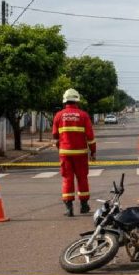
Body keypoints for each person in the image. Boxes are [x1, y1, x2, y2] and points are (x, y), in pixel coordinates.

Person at [52, 88, 96, 217]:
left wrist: (60, 147)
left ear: (65, 101)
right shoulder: (83, 115)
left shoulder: (59, 115)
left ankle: (69, 208)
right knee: (82, 178)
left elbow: (55, 135)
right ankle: (84, 206)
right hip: (81, 153)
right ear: (77, 100)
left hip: (65, 153)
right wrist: (93, 152)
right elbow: (90, 136)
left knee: (67, 179)